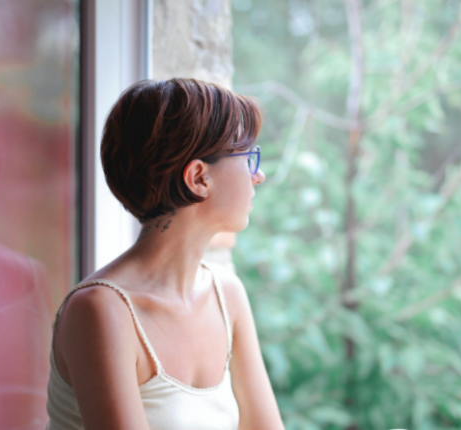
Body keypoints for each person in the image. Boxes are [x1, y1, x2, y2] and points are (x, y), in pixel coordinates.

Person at [45, 78, 286, 430]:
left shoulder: (227, 294)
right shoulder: (100, 311)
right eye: (249, 157)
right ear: (199, 178)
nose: (259, 175)